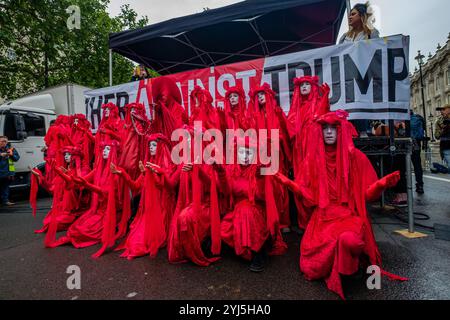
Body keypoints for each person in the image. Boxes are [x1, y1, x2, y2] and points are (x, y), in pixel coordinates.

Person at [274, 110, 407, 299]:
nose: (328, 132)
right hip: (323, 217)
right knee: (313, 266)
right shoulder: (311, 160)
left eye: (333, 128)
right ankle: (347, 268)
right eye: (325, 128)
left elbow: (366, 195)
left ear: (340, 131)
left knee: (348, 240)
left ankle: (349, 268)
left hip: (348, 216)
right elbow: (310, 198)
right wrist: (290, 184)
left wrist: (381, 185)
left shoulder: (356, 157)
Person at [219, 136, 287, 272]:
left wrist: (260, 178)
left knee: (246, 211)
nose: (245, 156)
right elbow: (226, 191)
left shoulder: (260, 168)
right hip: (237, 211)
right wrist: (220, 173)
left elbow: (265, 196)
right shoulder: (231, 168)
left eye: (249, 153)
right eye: (241, 152)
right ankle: (250, 248)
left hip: (257, 211)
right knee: (224, 228)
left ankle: (257, 251)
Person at [111, 133, 176, 259]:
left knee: (142, 239)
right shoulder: (148, 165)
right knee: (135, 238)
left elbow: (165, 186)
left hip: (161, 210)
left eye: (154, 145)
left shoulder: (167, 166)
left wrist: (153, 173)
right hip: (148, 210)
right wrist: (122, 173)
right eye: (149, 145)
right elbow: (135, 186)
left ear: (161, 147)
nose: (150, 147)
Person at [339, 2, 380, 137]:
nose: (349, 17)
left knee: (361, 104)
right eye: (349, 14)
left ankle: (364, 131)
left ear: (362, 16)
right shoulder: (344, 37)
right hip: (346, 78)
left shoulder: (372, 33)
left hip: (364, 78)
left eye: (353, 14)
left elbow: (377, 53)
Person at [0, 136, 20, 206]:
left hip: (7, 173)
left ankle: (5, 201)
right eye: (2, 141)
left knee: (5, 187)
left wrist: (12, 155)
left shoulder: (11, 149)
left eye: (5, 141)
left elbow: (17, 158)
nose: (3, 143)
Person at [410, 110, 425, 193]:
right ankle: (420, 185)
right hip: (416, 145)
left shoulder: (405, 119)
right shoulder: (418, 119)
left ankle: (404, 188)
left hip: (405, 144)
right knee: (417, 166)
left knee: (403, 166)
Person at [434, 104, 450, 171]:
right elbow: (436, 136)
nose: (441, 111)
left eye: (443, 109)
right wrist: (442, 130)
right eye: (441, 110)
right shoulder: (439, 121)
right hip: (445, 146)